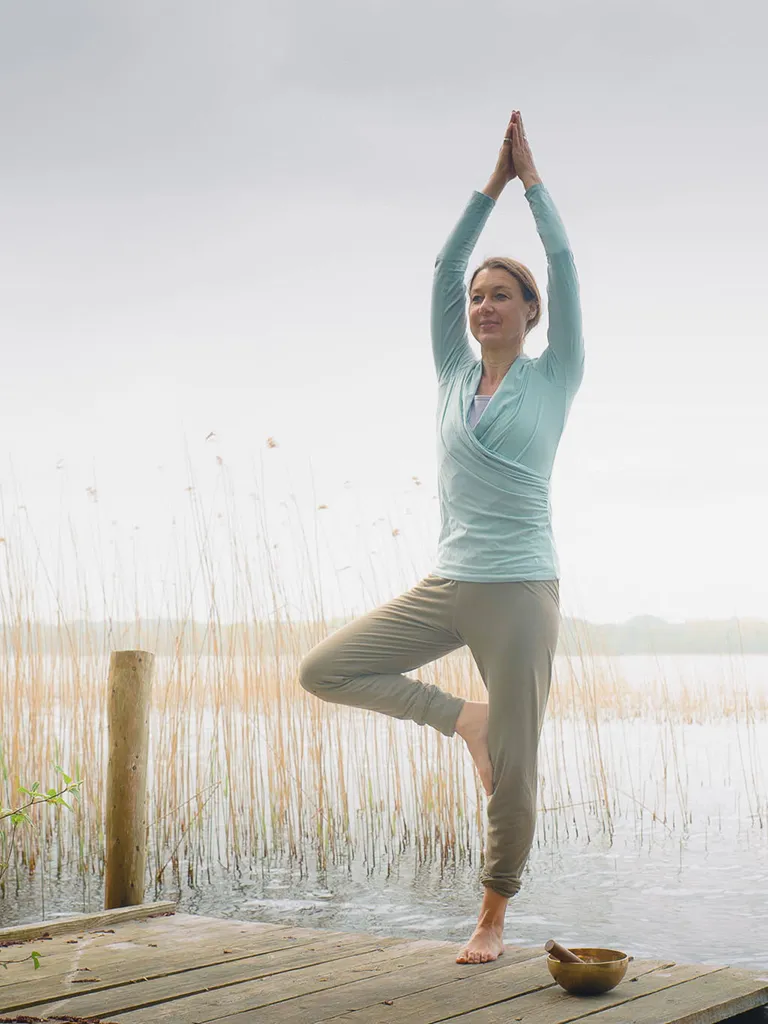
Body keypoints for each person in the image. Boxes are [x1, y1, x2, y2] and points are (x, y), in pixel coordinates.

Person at [299, 109, 584, 964]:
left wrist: (531, 185)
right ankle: (466, 718)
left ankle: (493, 914)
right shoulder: (453, 372)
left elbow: (565, 263)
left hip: (521, 590)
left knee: (518, 766)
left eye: (502, 295)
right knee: (325, 669)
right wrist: (485, 187)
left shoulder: (555, 376)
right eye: (477, 297)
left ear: (532, 314)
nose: (483, 304)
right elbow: (443, 266)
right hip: (448, 581)